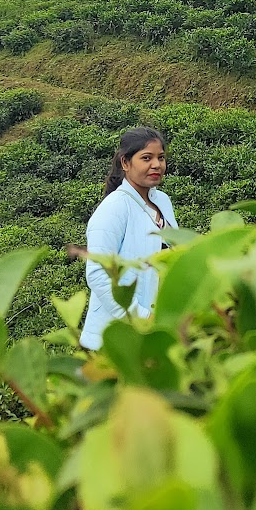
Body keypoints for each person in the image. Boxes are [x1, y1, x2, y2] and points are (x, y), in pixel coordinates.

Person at [79, 126, 176, 349]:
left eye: (161, 158)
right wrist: (141, 318)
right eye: (146, 158)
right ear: (125, 163)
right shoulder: (114, 208)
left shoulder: (162, 201)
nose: (156, 165)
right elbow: (98, 275)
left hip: (155, 334)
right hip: (115, 339)